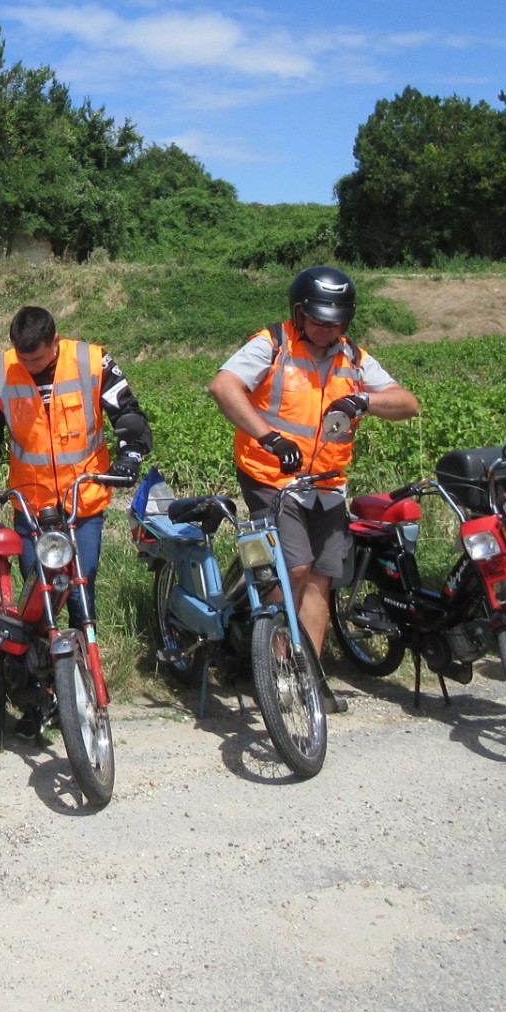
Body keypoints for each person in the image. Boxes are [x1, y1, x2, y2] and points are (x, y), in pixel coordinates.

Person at [208, 265, 420, 710]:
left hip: (326, 483)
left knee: (323, 577)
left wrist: (366, 399)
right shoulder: (272, 344)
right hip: (270, 475)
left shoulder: (354, 357)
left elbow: (407, 403)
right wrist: (269, 435)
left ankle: (307, 674)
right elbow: (224, 387)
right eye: (320, 319)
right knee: (294, 567)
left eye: (336, 320)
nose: (328, 328)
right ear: (299, 312)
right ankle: (275, 664)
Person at [0, 305, 152, 734]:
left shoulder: (93, 362)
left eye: (39, 360)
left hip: (84, 501)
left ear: (55, 343)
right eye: (25, 360)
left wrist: (130, 453)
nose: (31, 367)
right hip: (31, 503)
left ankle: (82, 686)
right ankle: (37, 700)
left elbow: (128, 414)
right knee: (37, 600)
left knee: (80, 587)